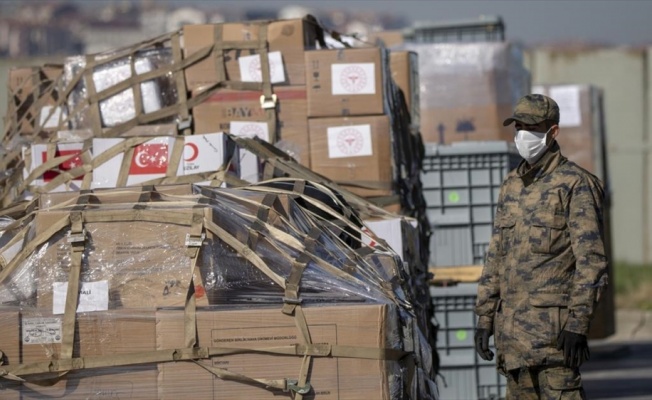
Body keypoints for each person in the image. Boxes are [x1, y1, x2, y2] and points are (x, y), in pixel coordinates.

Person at [474, 94, 609, 399]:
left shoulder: (575, 184)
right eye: (519, 127)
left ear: (553, 131)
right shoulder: (512, 184)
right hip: (514, 341)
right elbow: (496, 255)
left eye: (533, 128)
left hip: (554, 342)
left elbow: (592, 262)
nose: (524, 135)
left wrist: (578, 324)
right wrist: (484, 318)